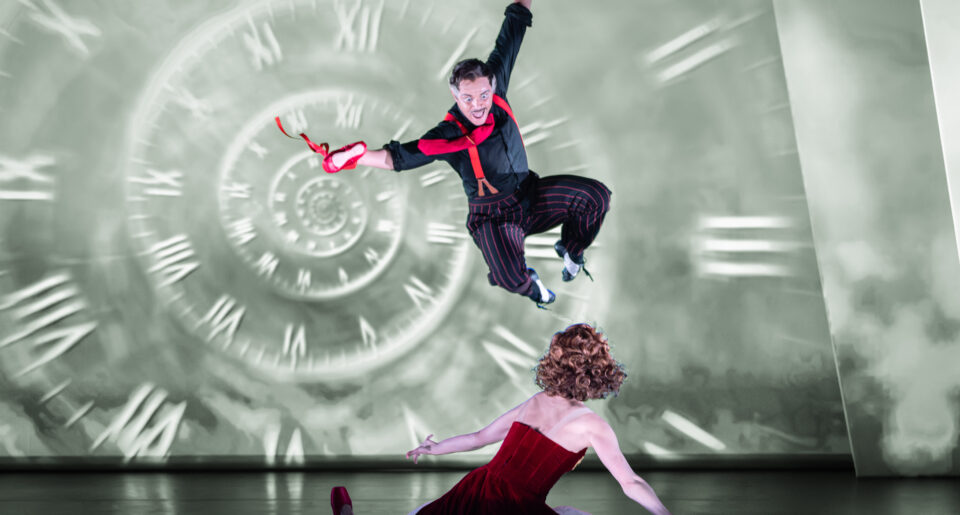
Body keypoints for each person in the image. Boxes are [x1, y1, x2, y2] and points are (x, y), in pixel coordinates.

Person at [291, 0, 612, 307]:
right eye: (469, 98)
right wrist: (352, 156)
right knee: (509, 277)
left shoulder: (496, 89)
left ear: (492, 85)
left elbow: (514, 25)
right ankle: (535, 289)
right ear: (456, 95)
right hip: (494, 218)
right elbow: (399, 157)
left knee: (596, 197)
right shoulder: (447, 134)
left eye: (484, 94)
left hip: (530, 195)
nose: (479, 104)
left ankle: (570, 250)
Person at [329, 324, 672, 515]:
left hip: (477, 489)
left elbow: (479, 437)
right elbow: (631, 484)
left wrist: (436, 449)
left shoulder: (537, 400)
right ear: (598, 372)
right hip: (514, 507)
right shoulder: (593, 426)